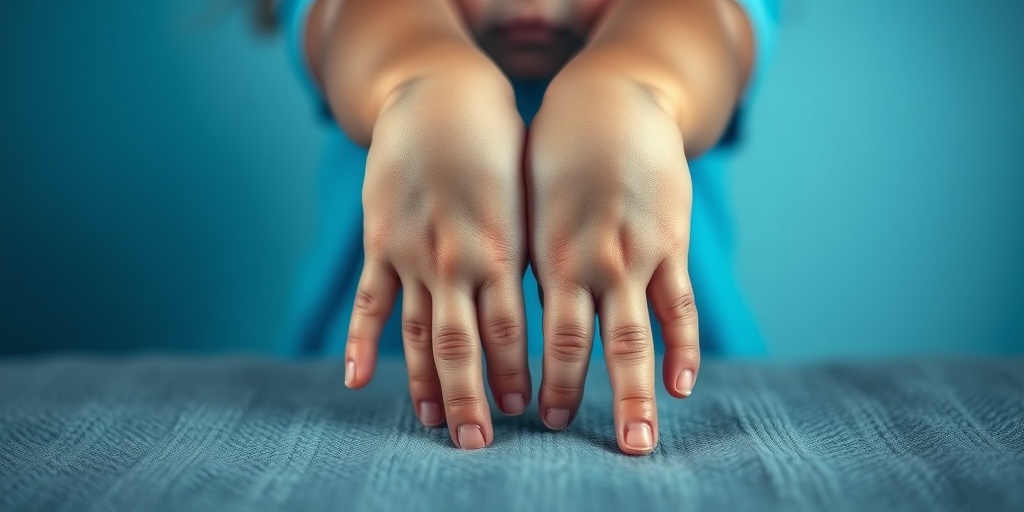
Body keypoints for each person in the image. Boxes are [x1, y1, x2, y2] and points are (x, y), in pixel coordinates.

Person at [276, 0, 777, 455]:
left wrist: (641, 83)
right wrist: (418, 77)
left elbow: (705, 25)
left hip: (700, 394)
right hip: (354, 410)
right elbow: (356, 20)